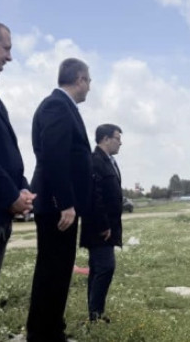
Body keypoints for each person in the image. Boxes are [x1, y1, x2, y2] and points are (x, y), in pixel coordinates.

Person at [27, 58, 93, 342]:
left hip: (60, 205)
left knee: (58, 270)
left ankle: (51, 329)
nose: (89, 87)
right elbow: (54, 156)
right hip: (58, 207)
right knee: (52, 271)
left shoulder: (64, 107)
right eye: (88, 81)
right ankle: (43, 334)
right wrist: (65, 202)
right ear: (79, 79)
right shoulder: (57, 105)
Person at [0, 19, 36, 303]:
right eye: (5, 48)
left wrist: (22, 188)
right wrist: (10, 195)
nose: (10, 56)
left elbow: (6, 150)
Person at [80, 124, 124, 323]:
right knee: (105, 267)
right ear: (105, 139)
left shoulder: (109, 161)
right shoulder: (95, 161)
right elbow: (94, 197)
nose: (120, 142)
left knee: (99, 269)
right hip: (100, 228)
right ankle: (95, 316)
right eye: (117, 138)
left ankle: (95, 314)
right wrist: (103, 225)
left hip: (108, 227)